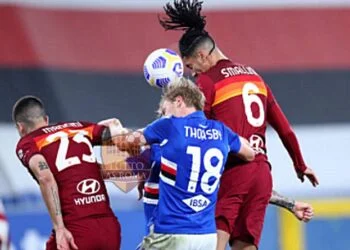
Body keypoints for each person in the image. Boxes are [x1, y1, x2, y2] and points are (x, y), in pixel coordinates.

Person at [159, 1, 319, 249]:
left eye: (191, 66)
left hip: (231, 171)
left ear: (202, 55)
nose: (192, 73)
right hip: (262, 174)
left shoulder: (208, 83)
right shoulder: (255, 77)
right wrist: (300, 165)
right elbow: (284, 128)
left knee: (212, 244)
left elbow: (195, 132)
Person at [112, 78, 255, 250]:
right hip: (207, 237)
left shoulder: (170, 125)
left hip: (172, 233)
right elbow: (250, 153)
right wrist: (234, 139)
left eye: (167, 110)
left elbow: (124, 142)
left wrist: (114, 126)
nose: (166, 115)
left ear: (179, 101)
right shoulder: (221, 131)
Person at [13, 96, 121, 250]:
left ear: (20, 127)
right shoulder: (79, 127)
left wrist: (59, 228)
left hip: (75, 229)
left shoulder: (29, 142)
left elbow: (45, 177)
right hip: (109, 226)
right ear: (46, 119)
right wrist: (114, 123)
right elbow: (124, 139)